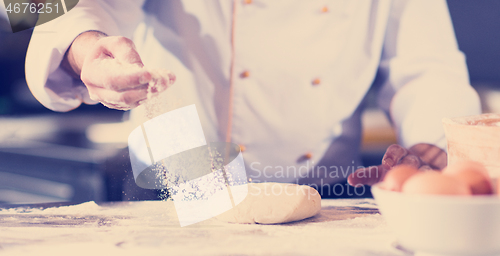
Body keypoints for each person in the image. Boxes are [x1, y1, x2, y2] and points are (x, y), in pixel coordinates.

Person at [25, 0, 481, 198]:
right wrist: (85, 47)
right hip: (179, 188)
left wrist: (435, 148)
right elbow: (38, 7)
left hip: (327, 197)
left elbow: (427, 65)